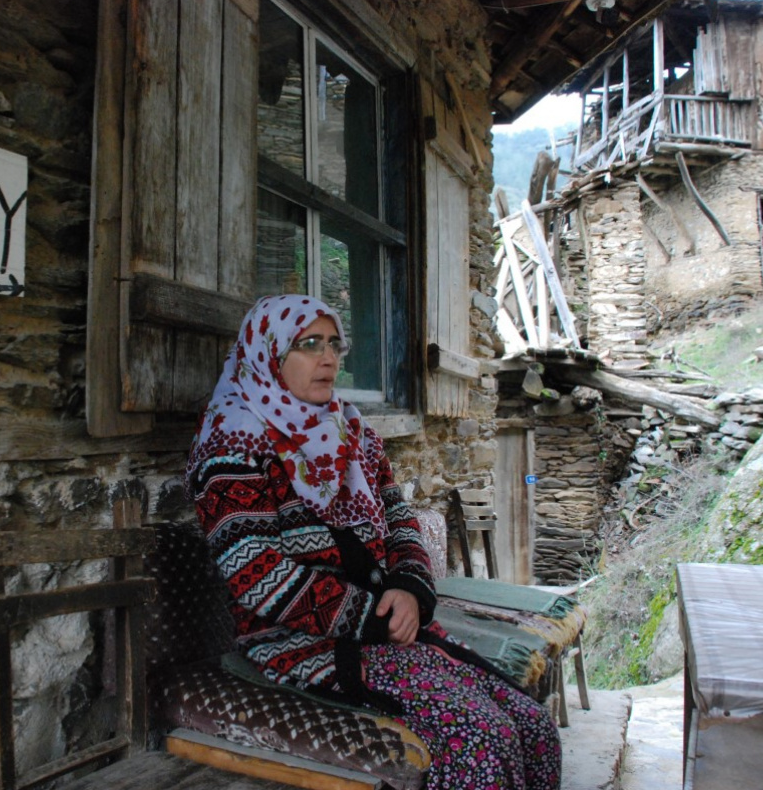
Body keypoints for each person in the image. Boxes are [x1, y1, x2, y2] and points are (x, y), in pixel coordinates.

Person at [185, 294, 561, 790]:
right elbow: (258, 577)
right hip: (302, 639)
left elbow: (399, 519)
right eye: (308, 344)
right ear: (268, 355)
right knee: (477, 736)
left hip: (387, 624)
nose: (328, 358)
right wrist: (377, 617)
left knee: (535, 727)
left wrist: (410, 588)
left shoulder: (352, 431)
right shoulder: (233, 443)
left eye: (334, 345)